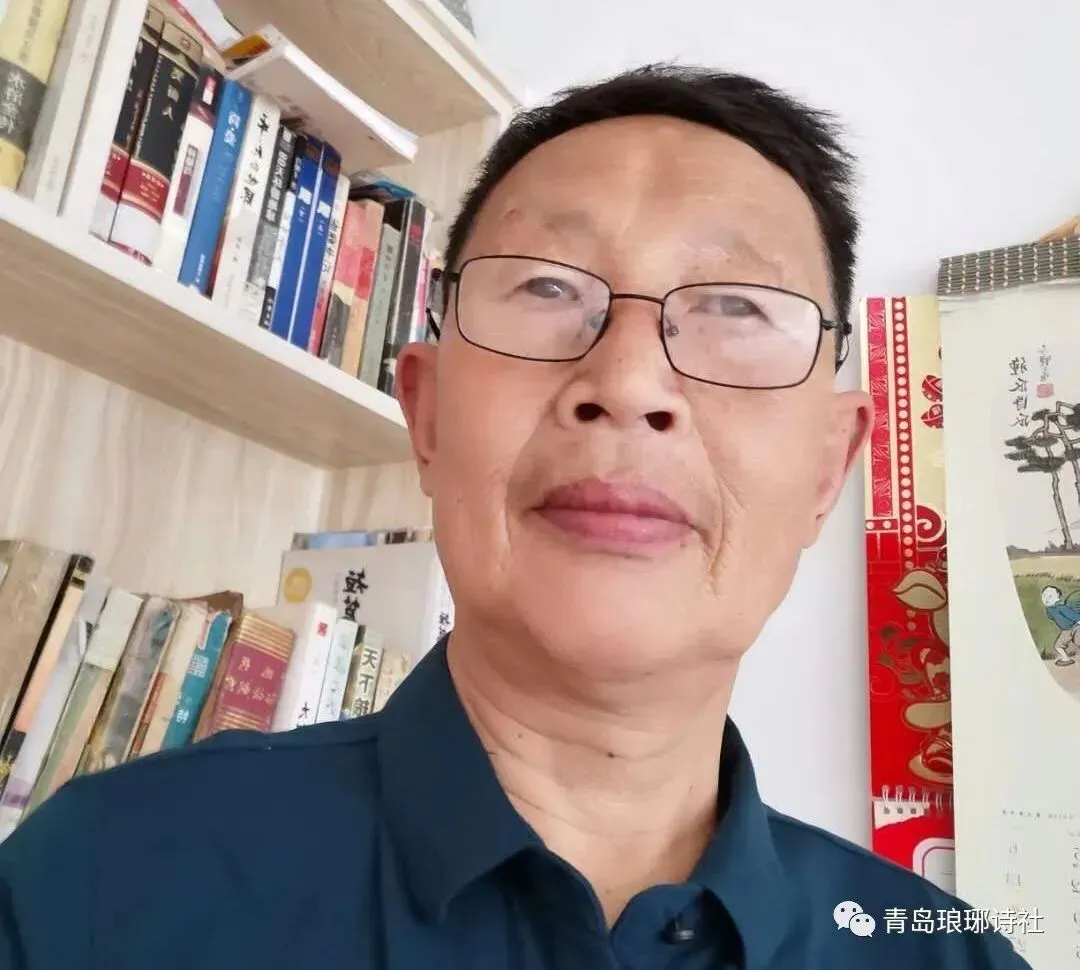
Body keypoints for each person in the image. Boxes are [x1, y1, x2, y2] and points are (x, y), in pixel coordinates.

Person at [0, 65, 1030, 970]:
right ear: (427, 415)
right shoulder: (100, 883)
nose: (627, 382)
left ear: (829, 467)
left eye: (735, 306)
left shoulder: (950, 956)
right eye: (545, 287)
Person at [1041, 584, 1080, 666]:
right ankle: (1066, 659)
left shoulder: (1061, 608)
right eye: (1044, 596)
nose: (1046, 598)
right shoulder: (1049, 610)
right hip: (1066, 630)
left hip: (1076, 628)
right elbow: (1052, 617)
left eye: (1050, 596)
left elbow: (1074, 616)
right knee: (1058, 646)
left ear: (1058, 597)